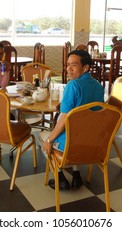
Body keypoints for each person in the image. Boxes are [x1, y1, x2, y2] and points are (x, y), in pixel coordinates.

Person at [39, 50, 104, 191]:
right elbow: (87, 110)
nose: (68, 68)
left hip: (72, 143)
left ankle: (60, 177)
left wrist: (49, 140)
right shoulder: (98, 86)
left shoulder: (73, 85)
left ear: (85, 68)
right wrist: (65, 106)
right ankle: (76, 175)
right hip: (92, 140)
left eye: (73, 65)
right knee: (76, 132)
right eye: (68, 64)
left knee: (42, 138)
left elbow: (63, 119)